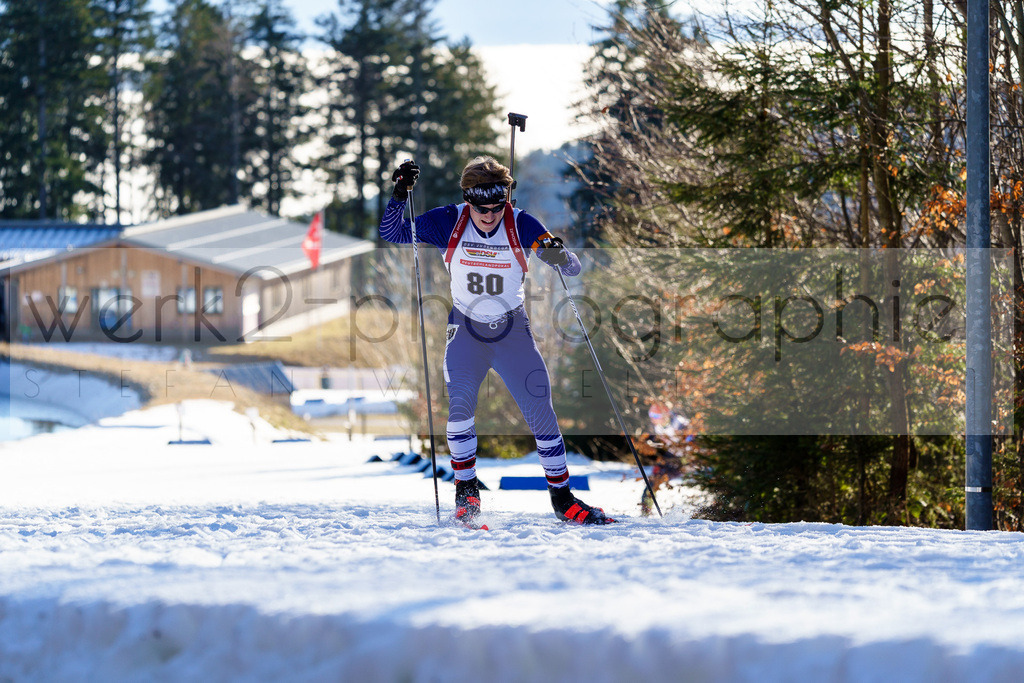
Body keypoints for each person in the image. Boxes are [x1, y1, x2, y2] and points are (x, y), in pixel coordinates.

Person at [379, 157, 615, 525]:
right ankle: (466, 497)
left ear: (506, 200)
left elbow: (572, 268)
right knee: (459, 411)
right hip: (467, 332)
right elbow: (392, 232)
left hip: (512, 333)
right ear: (468, 200)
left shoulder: (521, 224)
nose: (489, 215)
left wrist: (559, 255)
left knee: (542, 412)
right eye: (481, 208)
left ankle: (563, 500)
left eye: (496, 207)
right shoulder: (448, 221)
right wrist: (399, 192)